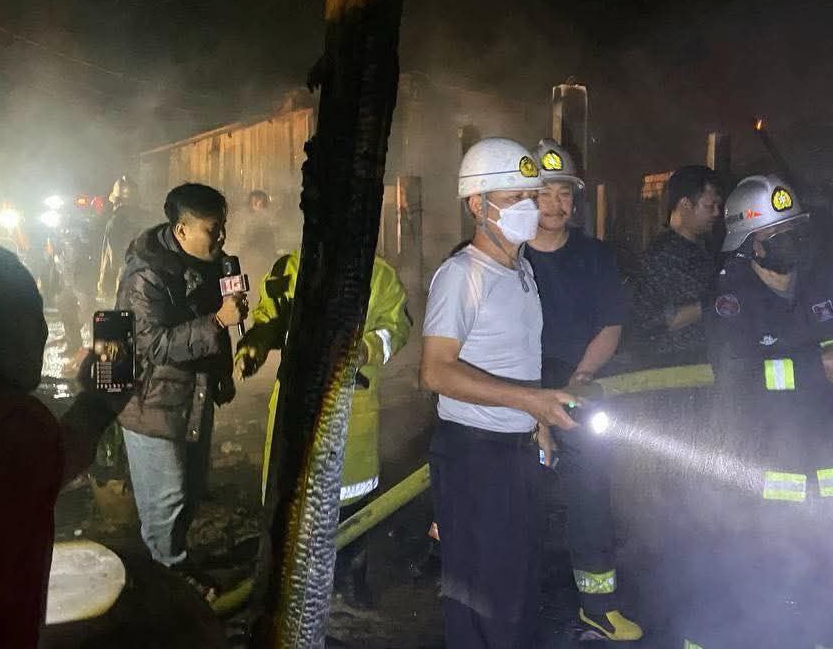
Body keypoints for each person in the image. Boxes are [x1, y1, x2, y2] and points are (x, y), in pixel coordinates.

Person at [668, 174, 833, 647]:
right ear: (752, 244)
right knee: (753, 584)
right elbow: (739, 375)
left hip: (827, 457)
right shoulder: (729, 298)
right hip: (759, 467)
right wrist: (816, 367)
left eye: (796, 229)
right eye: (778, 234)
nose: (793, 241)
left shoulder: (823, 279)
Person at [419, 137, 582, 648]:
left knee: (517, 588)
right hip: (474, 457)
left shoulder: (522, 271)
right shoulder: (461, 275)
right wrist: (531, 403)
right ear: (478, 204)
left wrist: (537, 426)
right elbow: (436, 372)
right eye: (515, 199)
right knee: (481, 598)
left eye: (532, 197)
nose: (530, 208)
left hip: (516, 452)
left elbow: (520, 361)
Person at [0, 241, 127, 647]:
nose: (42, 332)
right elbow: (58, 456)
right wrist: (101, 397)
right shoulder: (3, 422)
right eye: (28, 316)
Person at [236, 249, 411, 604]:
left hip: (351, 407)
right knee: (294, 504)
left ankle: (351, 575)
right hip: (296, 404)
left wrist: (365, 349)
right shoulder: (289, 268)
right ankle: (295, 584)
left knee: (352, 502)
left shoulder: (379, 275)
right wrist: (255, 346)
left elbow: (396, 328)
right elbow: (269, 319)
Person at [523, 139, 643, 641]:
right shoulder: (504, 256)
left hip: (578, 391)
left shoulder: (594, 257)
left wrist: (580, 380)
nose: (555, 205)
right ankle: (510, 612)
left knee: (591, 495)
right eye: (543, 194)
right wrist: (530, 404)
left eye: (564, 194)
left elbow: (611, 325)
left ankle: (599, 606)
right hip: (514, 394)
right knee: (514, 496)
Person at [114, 183, 247, 596]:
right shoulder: (145, 275)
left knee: (188, 489)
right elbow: (152, 345)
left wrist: (222, 374)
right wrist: (219, 321)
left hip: (193, 396)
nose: (221, 237)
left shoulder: (214, 265)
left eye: (223, 226)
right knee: (166, 498)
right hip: (149, 401)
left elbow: (215, 333)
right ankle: (167, 584)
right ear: (182, 229)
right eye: (212, 228)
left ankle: (174, 566)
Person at [628, 165, 723, 367]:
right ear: (685, 204)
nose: (717, 212)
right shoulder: (661, 256)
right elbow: (649, 320)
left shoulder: (707, 248)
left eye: (718, 205)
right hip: (671, 364)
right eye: (710, 206)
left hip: (705, 360)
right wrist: (712, 303)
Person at [97, 175, 147, 303]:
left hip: (125, 275)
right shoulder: (147, 217)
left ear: (116, 201)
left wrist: (103, 285)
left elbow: (111, 256)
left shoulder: (115, 221)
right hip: (148, 279)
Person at [238, 189, 278, 288]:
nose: (260, 206)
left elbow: (271, 241)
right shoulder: (245, 220)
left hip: (265, 260)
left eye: (263, 203)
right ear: (251, 204)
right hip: (250, 259)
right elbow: (242, 241)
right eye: (256, 203)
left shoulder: (267, 221)